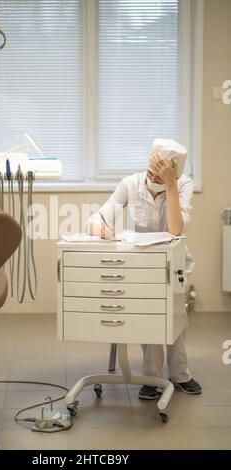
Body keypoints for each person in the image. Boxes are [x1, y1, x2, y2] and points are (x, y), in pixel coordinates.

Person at [86, 139, 202, 399]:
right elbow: (95, 219)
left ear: (174, 173)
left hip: (174, 265)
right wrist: (101, 230)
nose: (152, 178)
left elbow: (176, 229)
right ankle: (152, 377)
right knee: (149, 316)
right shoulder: (131, 184)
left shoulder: (183, 184)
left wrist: (170, 186)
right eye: (151, 172)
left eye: (159, 175)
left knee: (176, 319)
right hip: (141, 265)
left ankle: (180, 374)